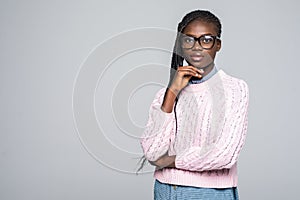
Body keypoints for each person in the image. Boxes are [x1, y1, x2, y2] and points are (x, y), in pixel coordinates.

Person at [140, 9, 249, 200]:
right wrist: (171, 94)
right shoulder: (165, 94)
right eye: (188, 40)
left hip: (207, 193)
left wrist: (171, 161)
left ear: (218, 45)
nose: (197, 47)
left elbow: (224, 154)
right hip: (164, 190)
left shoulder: (234, 89)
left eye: (206, 39)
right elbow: (152, 152)